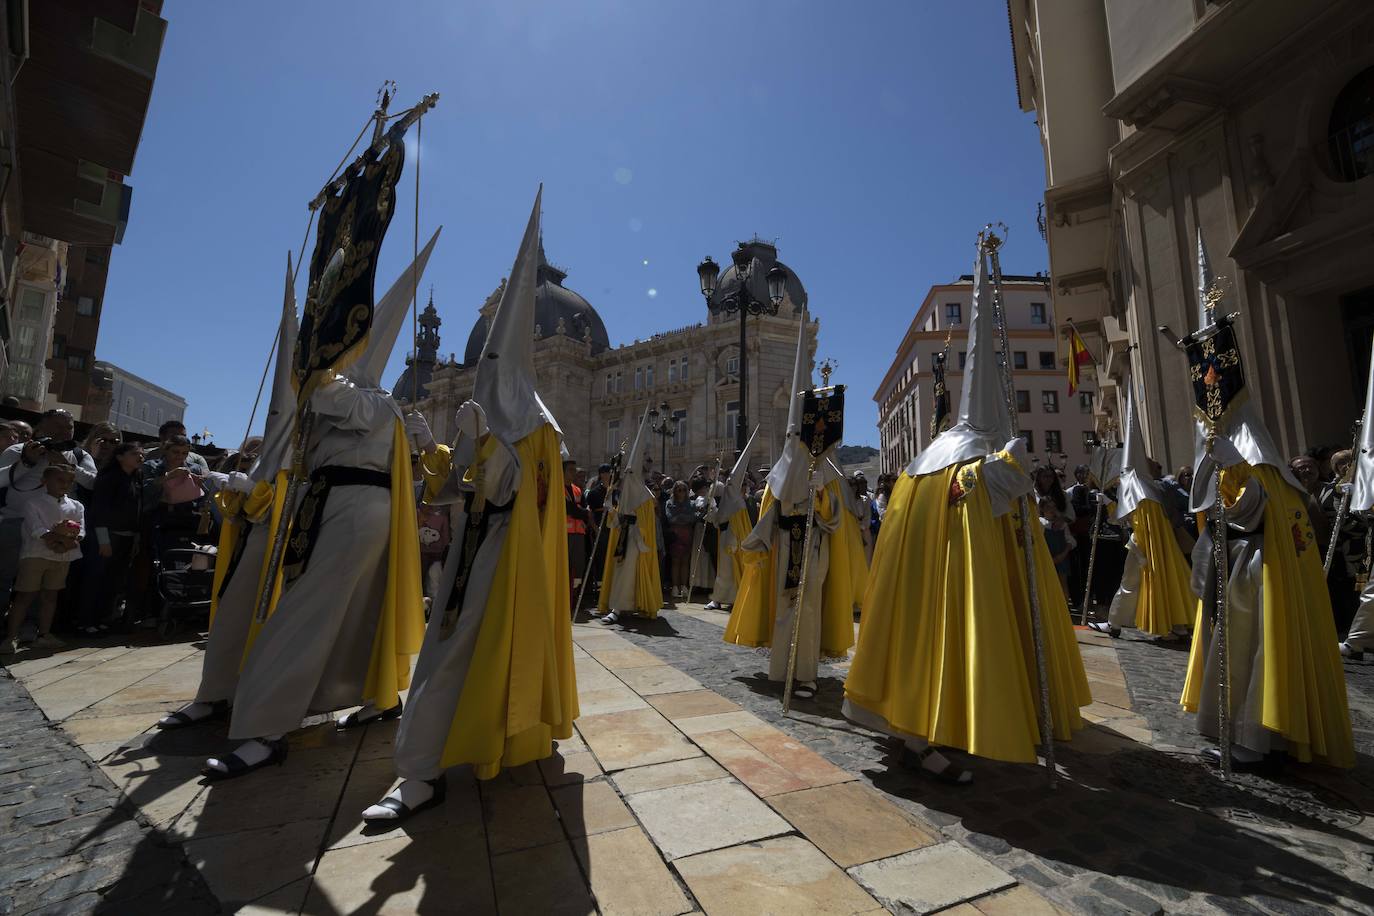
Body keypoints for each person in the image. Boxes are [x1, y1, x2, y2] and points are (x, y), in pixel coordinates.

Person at [843, 242, 1090, 784]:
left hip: (929, 578)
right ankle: (917, 731)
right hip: (937, 580)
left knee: (928, 650)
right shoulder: (954, 464)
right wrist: (1006, 469)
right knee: (928, 648)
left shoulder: (921, 465)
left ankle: (934, 724)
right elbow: (974, 490)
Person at [364, 193, 576, 822]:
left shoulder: (537, 428)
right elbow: (457, 487)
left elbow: (518, 494)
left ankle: (428, 768)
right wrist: (435, 448)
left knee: (459, 652)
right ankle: (425, 763)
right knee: (450, 649)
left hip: (506, 557)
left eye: (490, 355)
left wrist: (483, 445)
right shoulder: (492, 414)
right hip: (475, 549)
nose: (481, 362)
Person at [200, 228, 439, 778]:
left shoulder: (373, 399)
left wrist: (315, 344)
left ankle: (267, 727)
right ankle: (377, 696)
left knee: (305, 610)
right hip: (329, 502)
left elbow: (324, 392)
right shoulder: (357, 396)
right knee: (355, 610)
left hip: (357, 506)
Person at [1179, 232, 1352, 770]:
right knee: (1254, 654)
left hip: (1253, 574)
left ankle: (1253, 740)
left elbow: (1243, 512)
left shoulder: (1253, 462)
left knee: (1254, 655)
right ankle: (1260, 734)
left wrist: (1224, 467)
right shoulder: (1264, 462)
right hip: (1252, 569)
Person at [723, 312, 866, 701]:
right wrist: (754, 544)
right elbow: (769, 516)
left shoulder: (828, 476)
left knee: (808, 609)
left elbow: (837, 521)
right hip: (784, 548)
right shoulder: (777, 477)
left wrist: (821, 495)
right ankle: (781, 668)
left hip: (813, 548)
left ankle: (805, 674)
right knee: (785, 608)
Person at [1087, 378, 1195, 640]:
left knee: (1132, 584)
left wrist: (1110, 505)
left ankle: (1134, 624)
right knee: (1142, 583)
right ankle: (1172, 624)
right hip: (1153, 546)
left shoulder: (1141, 488)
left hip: (1144, 547)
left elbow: (1130, 520)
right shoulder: (1154, 487)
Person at [0, 410, 98, 624]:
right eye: (57, 427)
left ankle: (30, 628)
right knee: (4, 578)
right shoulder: (18, 450)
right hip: (16, 523)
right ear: (41, 428)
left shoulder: (80, 456)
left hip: (56, 532)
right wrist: (27, 462)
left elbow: (93, 483)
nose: (63, 433)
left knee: (42, 585)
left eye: (68, 428)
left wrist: (67, 465)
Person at [1, 462, 84, 655]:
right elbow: (37, 529)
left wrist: (67, 542)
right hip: (35, 555)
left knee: (50, 596)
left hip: (62, 556)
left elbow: (81, 530)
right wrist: (58, 539)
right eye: (60, 480)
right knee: (25, 596)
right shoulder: (33, 503)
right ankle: (11, 636)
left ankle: (43, 635)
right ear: (44, 481)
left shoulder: (76, 505)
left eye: (69, 481)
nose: (65, 484)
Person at [598, 407, 663, 625]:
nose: (626, 476)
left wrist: (631, 528)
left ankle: (619, 608)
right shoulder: (625, 492)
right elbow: (616, 520)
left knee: (627, 574)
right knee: (621, 573)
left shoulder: (645, 495)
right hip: (623, 539)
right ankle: (618, 606)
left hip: (635, 541)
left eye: (629, 473)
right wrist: (611, 509)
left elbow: (646, 523)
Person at [78, 443, 146, 635]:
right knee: (95, 579)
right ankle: (85, 621)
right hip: (107, 536)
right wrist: (104, 540)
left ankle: (102, 618)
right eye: (134, 454)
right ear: (120, 457)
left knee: (113, 582)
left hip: (127, 537)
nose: (140, 457)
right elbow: (99, 510)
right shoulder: (108, 478)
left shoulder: (137, 477)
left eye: (141, 454)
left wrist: (136, 536)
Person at [705, 435, 758, 611]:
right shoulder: (726, 499)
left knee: (732, 570)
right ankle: (718, 598)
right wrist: (711, 507)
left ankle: (735, 597)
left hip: (735, 541)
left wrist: (735, 540)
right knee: (723, 570)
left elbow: (742, 524)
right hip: (724, 538)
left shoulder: (739, 503)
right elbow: (718, 520)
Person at [664, 480, 699, 600]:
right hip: (675, 534)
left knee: (685, 561)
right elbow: (670, 518)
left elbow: (693, 517)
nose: (682, 492)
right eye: (679, 490)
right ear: (675, 491)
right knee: (675, 561)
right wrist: (684, 517)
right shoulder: (669, 503)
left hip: (687, 533)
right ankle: (675, 586)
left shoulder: (692, 503)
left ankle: (684, 586)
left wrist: (681, 517)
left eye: (684, 490)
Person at [565, 458, 591, 607]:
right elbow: (572, 510)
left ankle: (573, 596)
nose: (574, 472)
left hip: (579, 532)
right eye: (570, 470)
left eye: (574, 470)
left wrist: (583, 512)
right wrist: (583, 512)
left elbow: (584, 509)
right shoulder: (559, 487)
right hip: (566, 532)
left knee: (579, 566)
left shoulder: (577, 489)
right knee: (567, 567)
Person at [1039, 496, 1076, 598]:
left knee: (1063, 583)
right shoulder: (1040, 522)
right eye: (1048, 507)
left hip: (1061, 558)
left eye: (1054, 507)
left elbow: (1070, 541)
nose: (1052, 510)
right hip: (1047, 558)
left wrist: (1063, 554)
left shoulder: (1062, 525)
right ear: (1042, 509)